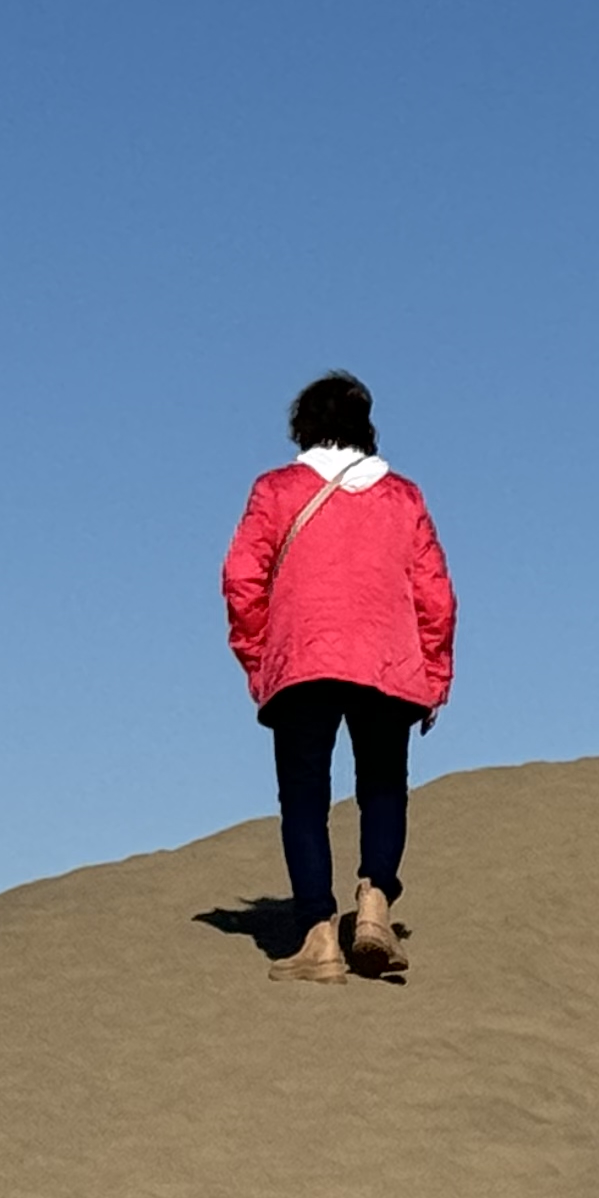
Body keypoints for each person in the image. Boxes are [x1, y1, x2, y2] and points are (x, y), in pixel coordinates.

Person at [221, 372, 457, 982]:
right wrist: (434, 675)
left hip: (303, 661)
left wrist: (259, 658)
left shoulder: (276, 490)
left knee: (304, 799)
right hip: (388, 664)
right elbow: (435, 595)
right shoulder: (403, 498)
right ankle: (374, 905)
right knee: (383, 786)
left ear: (302, 425)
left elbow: (242, 580)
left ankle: (319, 937)